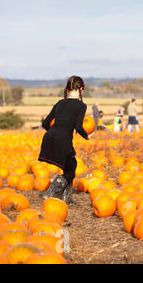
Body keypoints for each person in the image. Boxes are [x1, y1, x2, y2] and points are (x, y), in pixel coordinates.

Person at [38, 76, 90, 204]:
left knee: (71, 165)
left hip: (50, 136)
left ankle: (67, 197)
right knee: (71, 168)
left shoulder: (60, 103)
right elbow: (78, 126)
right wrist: (87, 136)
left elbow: (45, 123)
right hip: (63, 139)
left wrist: (54, 132)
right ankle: (51, 191)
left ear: (67, 89)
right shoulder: (81, 105)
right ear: (81, 90)